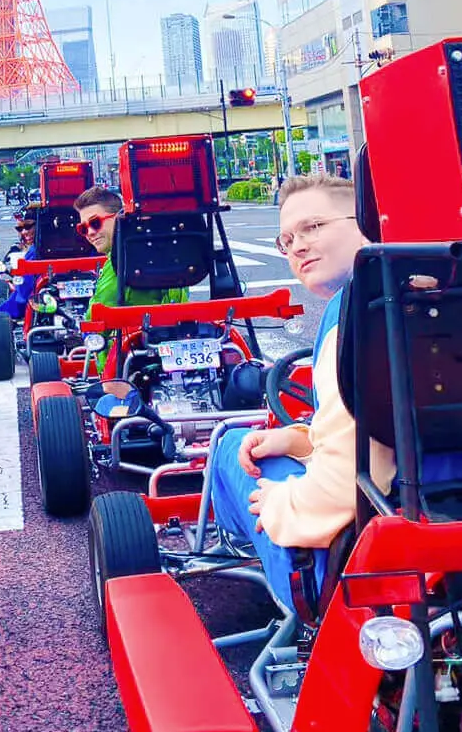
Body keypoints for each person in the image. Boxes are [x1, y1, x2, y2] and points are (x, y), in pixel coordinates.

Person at [208, 174, 397, 611]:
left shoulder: (351, 315)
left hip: (356, 571)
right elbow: (394, 438)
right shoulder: (442, 290)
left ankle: (240, 554)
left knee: (232, 444)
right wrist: (300, 440)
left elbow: (344, 488)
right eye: (287, 240)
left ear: (366, 222)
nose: (297, 247)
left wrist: (277, 504)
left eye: (312, 227)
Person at [74, 187, 188, 320]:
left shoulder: (119, 260)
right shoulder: (162, 249)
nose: (90, 233)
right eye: (83, 228)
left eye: (95, 223)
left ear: (119, 217)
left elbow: (95, 319)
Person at [0, 211, 38, 318]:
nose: (24, 232)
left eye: (28, 227)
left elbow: (23, 294)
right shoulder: (27, 250)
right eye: (20, 229)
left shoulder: (35, 252)